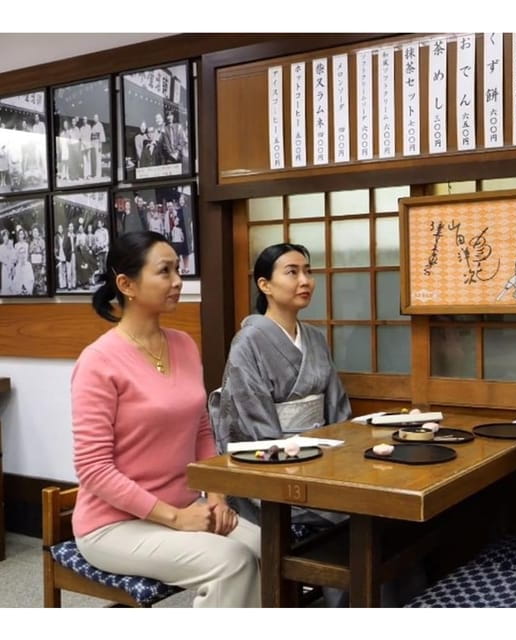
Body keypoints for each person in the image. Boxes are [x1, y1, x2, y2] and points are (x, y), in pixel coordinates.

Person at [71, 230, 261, 607]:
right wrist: (175, 518)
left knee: (270, 549)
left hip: (187, 507)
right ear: (126, 284)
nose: (178, 282)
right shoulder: (97, 362)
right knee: (234, 562)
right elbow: (93, 468)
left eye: (178, 269)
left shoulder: (184, 344)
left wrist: (218, 497)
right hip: (114, 525)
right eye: (164, 271)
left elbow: (202, 428)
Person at [212, 243, 351, 533]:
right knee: (352, 517)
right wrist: (302, 464)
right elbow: (253, 424)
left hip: (324, 460)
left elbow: (337, 409)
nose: (305, 281)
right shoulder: (247, 342)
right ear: (265, 285)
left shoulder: (314, 337)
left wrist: (338, 459)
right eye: (292, 272)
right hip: (274, 467)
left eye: (307, 272)